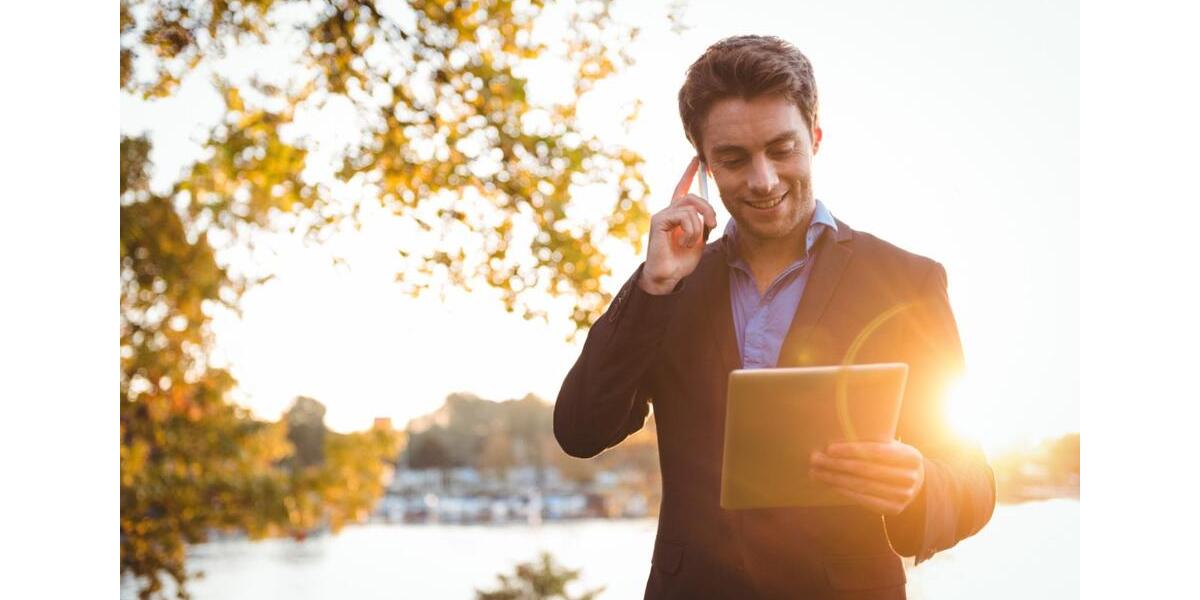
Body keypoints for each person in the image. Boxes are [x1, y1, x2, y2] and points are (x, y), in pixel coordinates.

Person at [553, 35, 996, 599]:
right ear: (703, 165)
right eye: (734, 159)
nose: (762, 181)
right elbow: (580, 430)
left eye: (782, 149)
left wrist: (918, 484)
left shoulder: (908, 282)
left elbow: (972, 479)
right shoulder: (668, 285)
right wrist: (653, 285)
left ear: (814, 137)